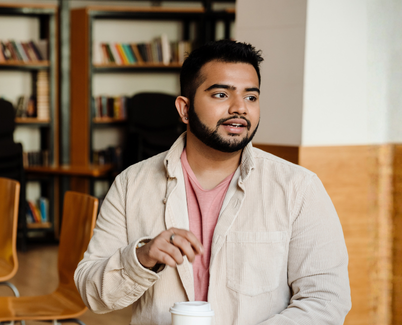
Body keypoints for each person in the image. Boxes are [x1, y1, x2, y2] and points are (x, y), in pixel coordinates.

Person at [74, 40, 351, 325]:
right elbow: (90, 292)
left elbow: (325, 300)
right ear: (184, 109)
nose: (239, 108)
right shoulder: (132, 184)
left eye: (251, 97)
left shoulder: (298, 187)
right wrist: (142, 257)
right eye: (221, 94)